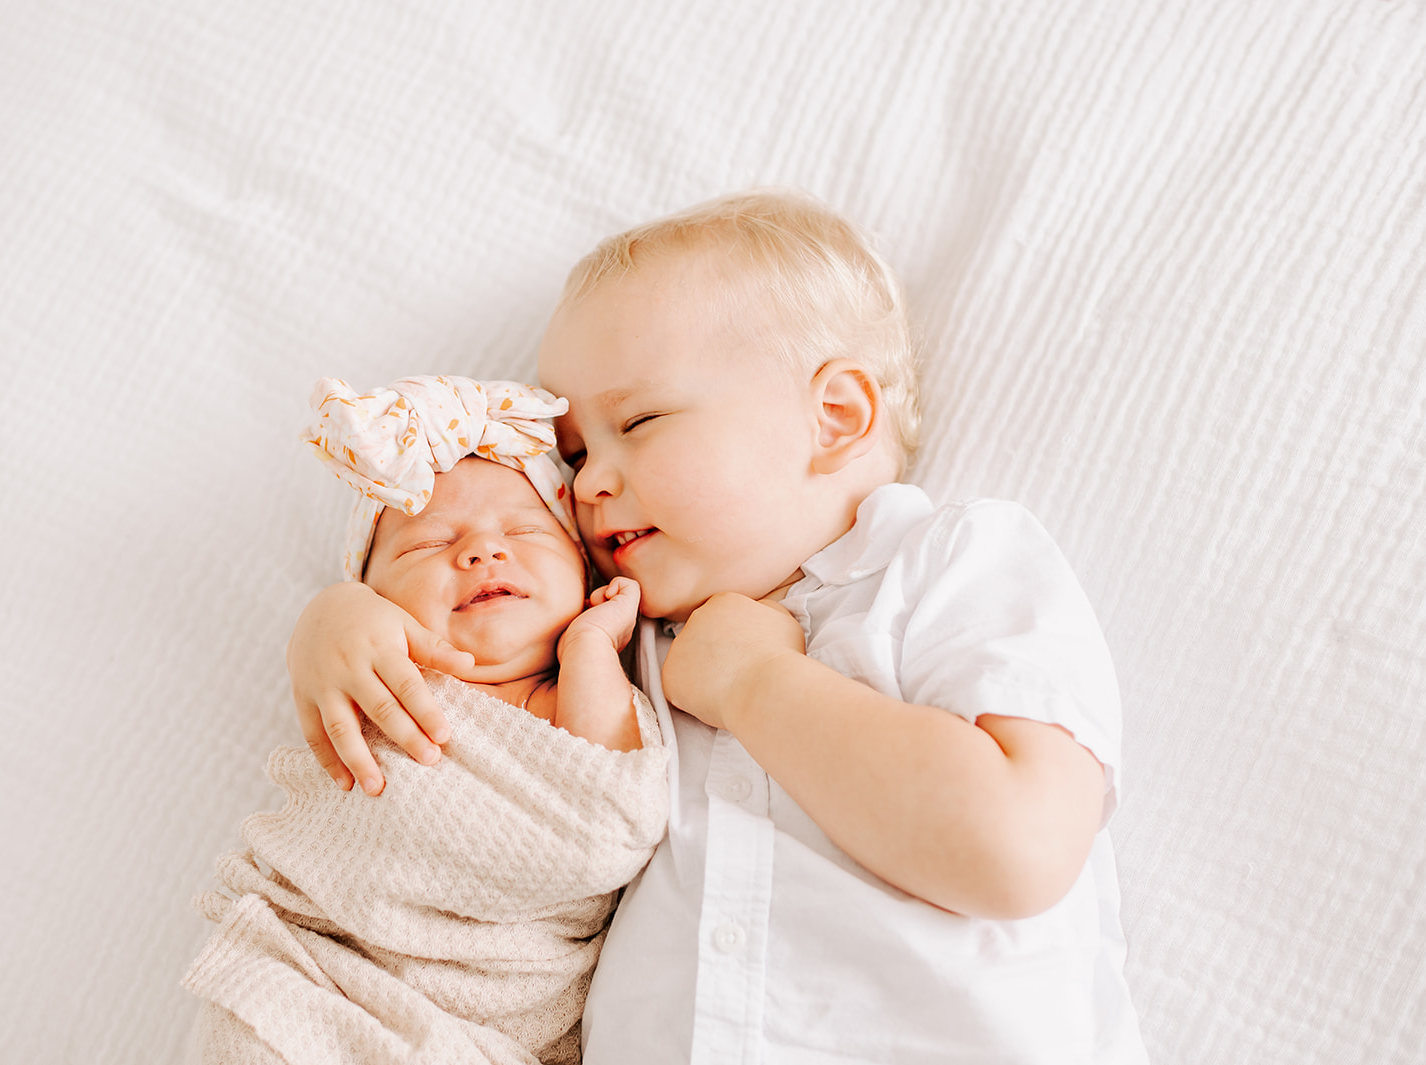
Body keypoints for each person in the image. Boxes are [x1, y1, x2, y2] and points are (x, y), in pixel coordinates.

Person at [285, 191, 1148, 1063]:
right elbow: (461, 676)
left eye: (639, 422)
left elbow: (1017, 848)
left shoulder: (949, 564)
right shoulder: (612, 634)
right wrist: (343, 616)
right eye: (576, 454)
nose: (582, 486)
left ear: (835, 417)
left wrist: (755, 683)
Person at [184, 376, 669, 1065]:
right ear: (375, 594)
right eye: (423, 546)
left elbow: (611, 818)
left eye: (526, 531)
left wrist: (590, 646)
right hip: (315, 970)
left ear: (586, 577)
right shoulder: (383, 674)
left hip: (485, 1026)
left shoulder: (576, 696)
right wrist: (328, 618)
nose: (479, 552)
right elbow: (340, 651)